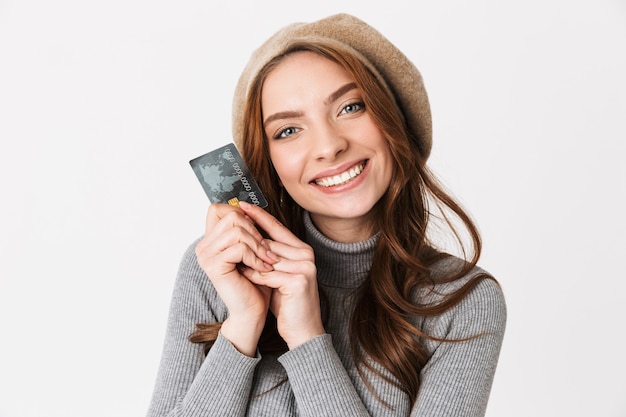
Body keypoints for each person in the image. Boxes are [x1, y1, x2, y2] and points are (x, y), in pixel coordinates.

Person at [146, 13, 506, 417]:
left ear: (394, 122)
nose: (329, 146)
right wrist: (245, 320)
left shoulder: (461, 303)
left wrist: (306, 337)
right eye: (288, 131)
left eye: (351, 107)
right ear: (270, 163)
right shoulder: (217, 270)